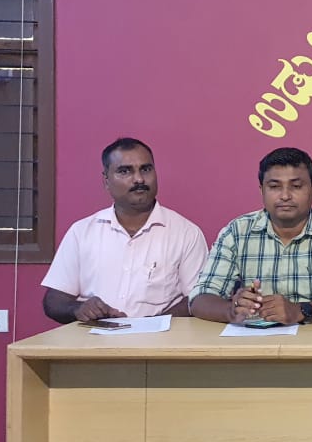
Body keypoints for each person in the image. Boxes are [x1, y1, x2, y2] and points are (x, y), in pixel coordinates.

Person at [189, 147, 312, 325]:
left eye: (296, 186)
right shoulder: (237, 232)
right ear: (262, 190)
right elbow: (200, 297)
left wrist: (300, 311)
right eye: (274, 187)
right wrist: (232, 310)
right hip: (253, 340)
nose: (285, 196)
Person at [42, 138, 207, 323]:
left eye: (146, 169)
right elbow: (54, 301)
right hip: (92, 338)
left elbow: (197, 298)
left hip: (160, 338)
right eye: (125, 171)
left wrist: (149, 326)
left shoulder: (186, 233)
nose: (139, 179)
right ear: (106, 181)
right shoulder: (81, 232)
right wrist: (78, 309)